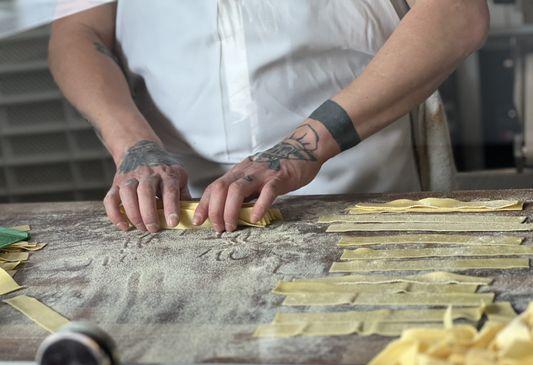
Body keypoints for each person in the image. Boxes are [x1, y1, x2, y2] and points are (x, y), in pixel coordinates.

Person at [48, 0, 489, 233]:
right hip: (173, 203)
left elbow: (455, 13)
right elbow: (79, 31)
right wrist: (132, 144)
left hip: (361, 182)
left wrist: (303, 147)